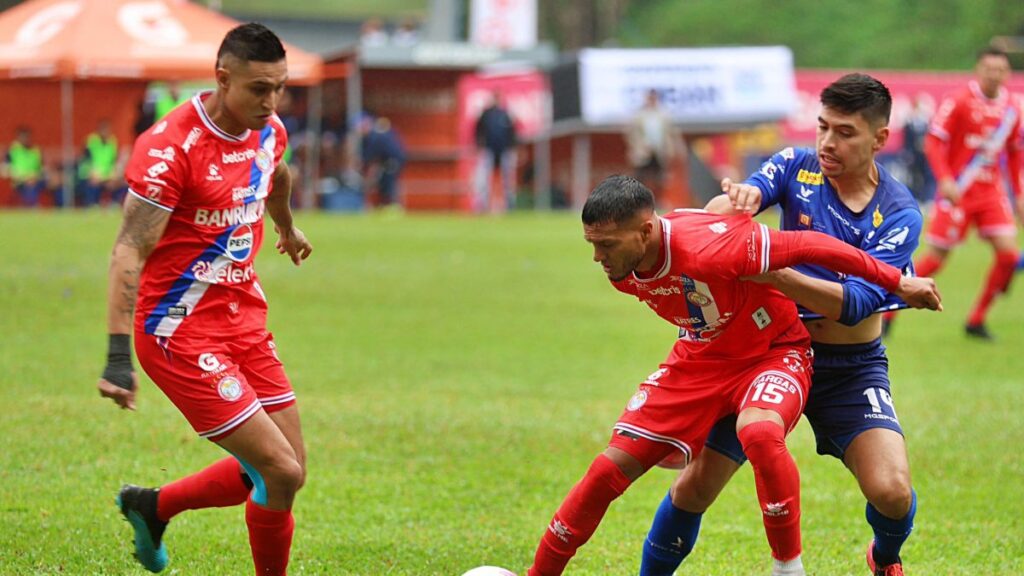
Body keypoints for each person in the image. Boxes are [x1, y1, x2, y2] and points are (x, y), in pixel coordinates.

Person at [525, 175, 941, 576]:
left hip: (773, 352)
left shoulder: (714, 245)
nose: (598, 257)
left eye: (606, 245)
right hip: (702, 359)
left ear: (646, 231)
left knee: (760, 433)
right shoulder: (624, 270)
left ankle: (790, 569)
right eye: (593, 244)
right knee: (608, 472)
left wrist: (898, 282)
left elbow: (812, 245)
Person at [638, 74, 925, 576]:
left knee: (893, 492)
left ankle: (884, 557)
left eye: (845, 132)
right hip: (769, 353)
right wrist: (735, 204)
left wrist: (773, 273)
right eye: (822, 127)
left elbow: (858, 303)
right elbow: (748, 194)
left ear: (880, 139)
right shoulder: (798, 165)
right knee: (693, 486)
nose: (827, 143)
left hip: (849, 369)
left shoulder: (900, 212)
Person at [96, 23, 313, 575]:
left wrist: (286, 228)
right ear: (223, 78)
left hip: (244, 319)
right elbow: (128, 249)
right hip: (177, 331)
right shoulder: (170, 148)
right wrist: (118, 355)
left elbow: (277, 174)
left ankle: (151, 506)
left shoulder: (269, 131)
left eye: (279, 88)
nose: (271, 102)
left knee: (286, 469)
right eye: (259, 89)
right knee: (279, 471)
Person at [888, 47, 1022, 340]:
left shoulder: (1012, 108)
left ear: (1007, 73)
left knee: (1009, 256)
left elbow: (1014, 153)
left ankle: (976, 320)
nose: (994, 75)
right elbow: (934, 143)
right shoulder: (959, 100)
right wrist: (945, 179)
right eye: (989, 68)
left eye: (1000, 69)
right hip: (959, 191)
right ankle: (887, 312)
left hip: (991, 193)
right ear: (978, 69)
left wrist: (1019, 194)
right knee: (936, 259)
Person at [626, 89, 677, 206]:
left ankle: (657, 201)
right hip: (643, 152)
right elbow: (632, 134)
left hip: (659, 152)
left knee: (660, 179)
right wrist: (640, 146)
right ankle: (638, 202)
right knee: (640, 179)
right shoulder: (639, 115)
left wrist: (669, 149)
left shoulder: (663, 115)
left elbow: (669, 134)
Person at [474, 92, 518, 212]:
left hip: (504, 150)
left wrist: (512, 148)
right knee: (483, 180)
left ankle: (510, 205)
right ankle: (482, 205)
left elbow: (512, 133)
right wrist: (479, 147)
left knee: (507, 180)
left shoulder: (505, 114)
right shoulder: (486, 114)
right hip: (488, 150)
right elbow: (478, 131)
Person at [360, 114, 406, 209]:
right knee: (385, 182)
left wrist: (363, 162)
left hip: (393, 160)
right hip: (393, 160)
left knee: (389, 182)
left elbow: (370, 155)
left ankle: (393, 206)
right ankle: (388, 205)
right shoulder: (379, 133)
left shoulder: (374, 136)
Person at [79, 119, 122, 207]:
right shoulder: (92, 141)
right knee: (93, 182)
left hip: (106, 173)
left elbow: (114, 160)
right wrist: (92, 172)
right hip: (91, 172)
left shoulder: (112, 141)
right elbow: (86, 160)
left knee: (118, 181)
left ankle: (114, 203)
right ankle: (92, 204)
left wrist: (113, 172)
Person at [901, 94, 934, 203]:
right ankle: (915, 198)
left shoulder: (926, 123)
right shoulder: (909, 124)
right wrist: (908, 153)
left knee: (927, 176)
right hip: (914, 155)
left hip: (924, 154)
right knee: (914, 177)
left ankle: (926, 198)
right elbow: (906, 141)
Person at [3, 126, 47, 207]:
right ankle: (33, 208)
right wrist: (25, 178)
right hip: (20, 182)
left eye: (27, 137)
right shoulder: (12, 151)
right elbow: (4, 171)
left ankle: (64, 208)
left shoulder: (36, 150)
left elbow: (42, 170)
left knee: (58, 185)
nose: (25, 139)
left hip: (36, 180)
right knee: (30, 188)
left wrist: (35, 177)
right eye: (22, 137)